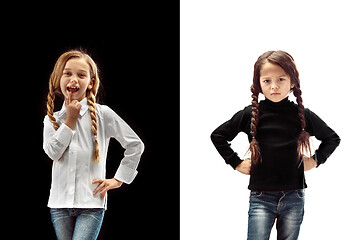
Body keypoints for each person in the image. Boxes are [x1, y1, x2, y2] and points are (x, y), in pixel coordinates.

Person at [210, 50, 340, 240]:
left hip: (294, 196)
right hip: (261, 197)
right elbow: (218, 135)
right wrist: (236, 163)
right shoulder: (250, 115)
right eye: (267, 81)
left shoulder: (301, 115)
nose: (274, 86)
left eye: (281, 79)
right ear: (258, 84)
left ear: (292, 82)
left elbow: (332, 138)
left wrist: (316, 160)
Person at [43, 50, 144, 239]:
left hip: (91, 203)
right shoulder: (51, 119)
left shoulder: (102, 114)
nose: (74, 79)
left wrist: (119, 179)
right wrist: (70, 122)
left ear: (90, 82)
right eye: (68, 73)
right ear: (59, 79)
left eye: (81, 75)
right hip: (59, 204)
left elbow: (135, 145)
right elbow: (53, 153)